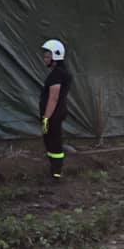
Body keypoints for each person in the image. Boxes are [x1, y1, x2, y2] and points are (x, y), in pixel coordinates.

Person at [39, 39, 72, 179]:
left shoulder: (56, 75)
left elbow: (53, 98)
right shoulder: (62, 72)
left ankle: (56, 172)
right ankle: (55, 171)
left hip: (53, 115)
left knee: (53, 142)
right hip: (57, 113)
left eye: (47, 56)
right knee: (52, 141)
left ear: (56, 57)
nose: (44, 59)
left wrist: (46, 118)